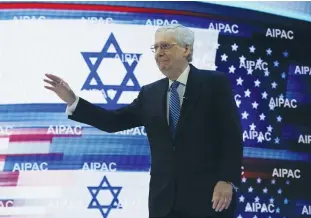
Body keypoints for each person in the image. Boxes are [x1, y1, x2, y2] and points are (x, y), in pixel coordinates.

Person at [43, 24, 243, 218]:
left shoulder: (214, 83)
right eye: (155, 48)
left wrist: (227, 180)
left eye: (165, 46)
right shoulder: (150, 93)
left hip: (208, 199)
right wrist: (73, 100)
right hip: (164, 203)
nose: (158, 53)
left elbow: (231, 136)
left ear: (186, 49)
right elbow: (113, 121)